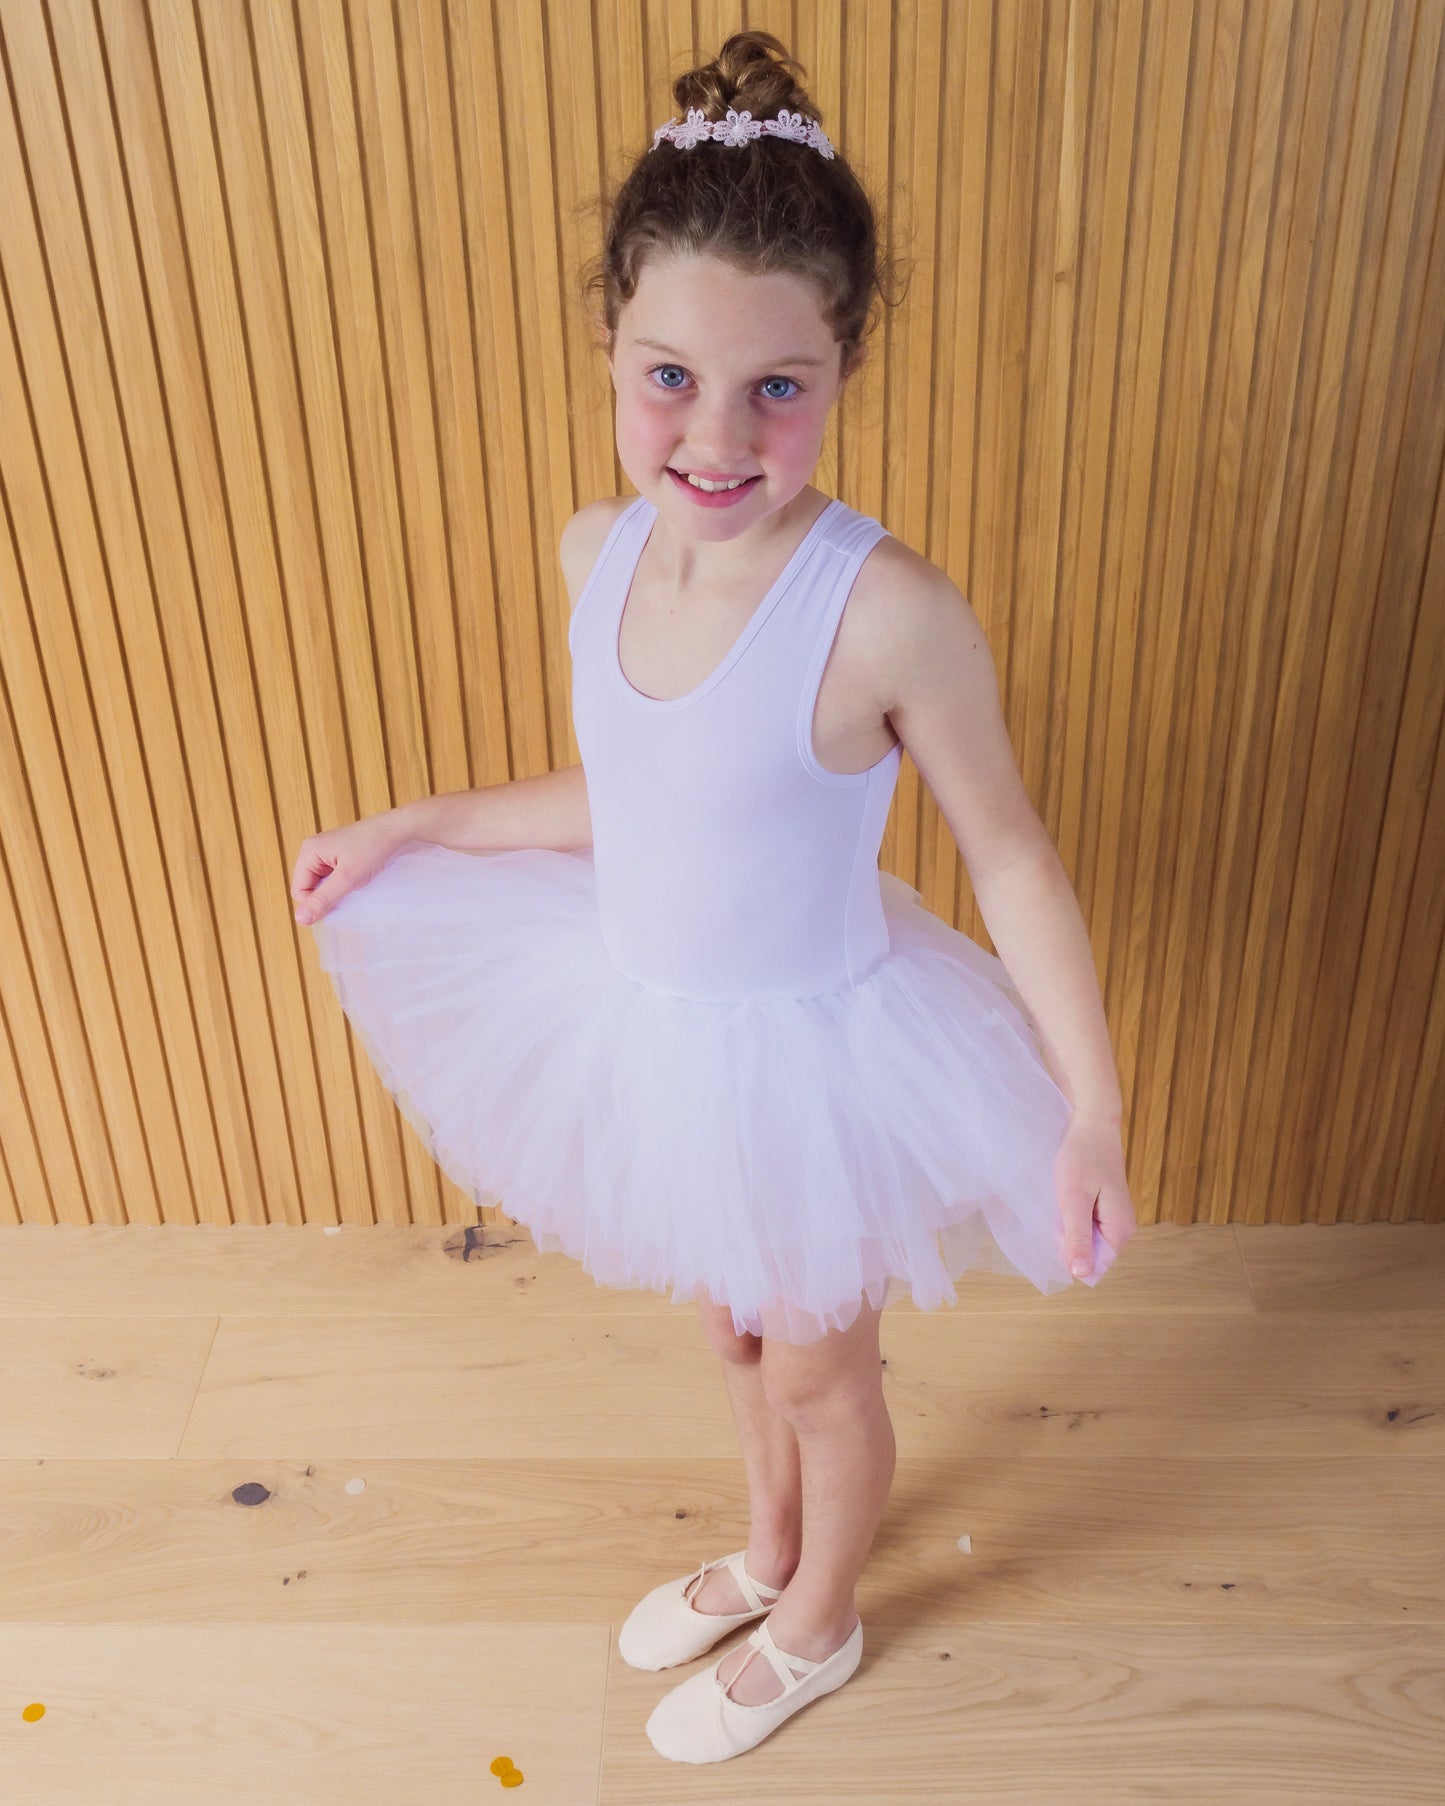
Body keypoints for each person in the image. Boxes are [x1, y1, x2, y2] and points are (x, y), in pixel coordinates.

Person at [289, 29, 1136, 1766]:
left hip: (814, 1052)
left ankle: (820, 1618)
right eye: (670, 375)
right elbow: (639, 800)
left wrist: (1092, 1108)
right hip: (656, 1033)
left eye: (778, 387)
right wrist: (416, 823)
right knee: (733, 1329)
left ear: (842, 369)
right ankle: (763, 1547)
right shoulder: (594, 554)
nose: (717, 435)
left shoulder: (886, 613)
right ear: (610, 342)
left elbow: (1009, 854)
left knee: (822, 1367)